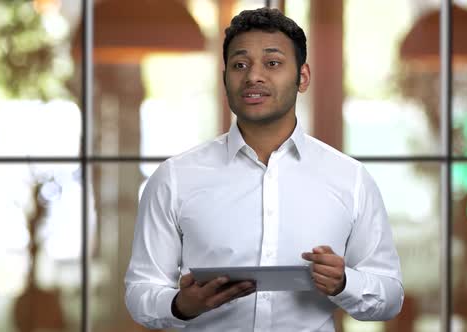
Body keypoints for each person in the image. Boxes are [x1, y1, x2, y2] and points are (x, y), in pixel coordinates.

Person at [125, 7, 403, 331]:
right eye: (240, 64)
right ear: (225, 78)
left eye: (272, 63)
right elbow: (140, 291)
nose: (253, 76)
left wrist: (344, 283)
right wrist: (181, 305)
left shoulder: (351, 180)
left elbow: (390, 296)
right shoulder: (174, 179)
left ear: (303, 77)